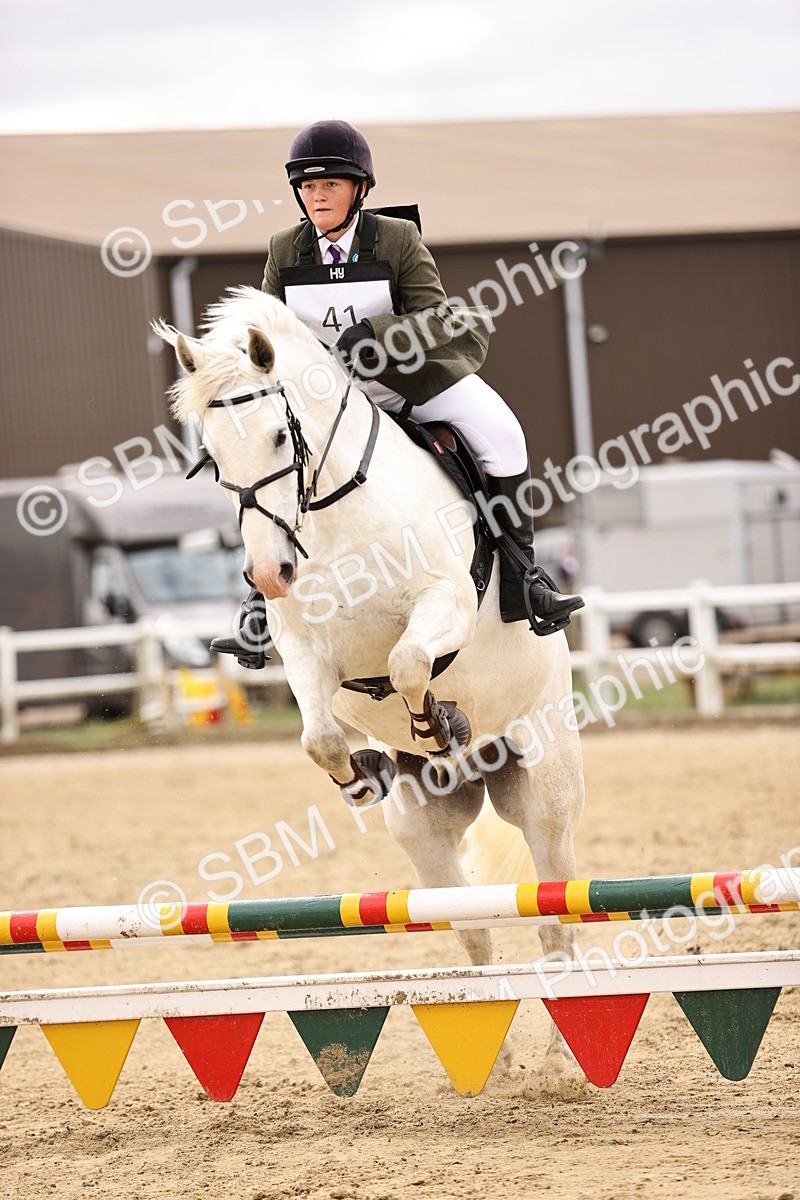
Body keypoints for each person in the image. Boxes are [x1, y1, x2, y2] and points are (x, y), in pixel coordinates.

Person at [211, 120, 583, 668]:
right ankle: (259, 607)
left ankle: (524, 578)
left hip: (406, 385)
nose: (317, 196)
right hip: (328, 401)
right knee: (261, 458)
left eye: (330, 185)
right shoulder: (285, 248)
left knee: (504, 435)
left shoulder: (396, 238)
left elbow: (436, 316)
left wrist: (378, 334)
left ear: (360, 189)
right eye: (308, 187)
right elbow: (263, 329)